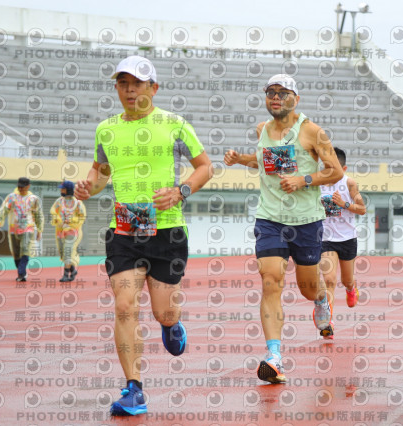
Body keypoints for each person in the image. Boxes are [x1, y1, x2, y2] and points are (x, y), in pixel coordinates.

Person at [74, 55, 213, 416]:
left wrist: (180, 191)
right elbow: (100, 171)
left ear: (154, 87)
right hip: (123, 231)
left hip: (167, 232)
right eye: (123, 83)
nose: (130, 90)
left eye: (137, 83)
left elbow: (205, 167)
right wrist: (89, 186)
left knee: (163, 311)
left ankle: (171, 324)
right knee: (124, 307)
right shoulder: (106, 129)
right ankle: (133, 389)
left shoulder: (175, 125)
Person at [224, 74, 344, 384]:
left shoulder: (312, 132)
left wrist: (304, 180)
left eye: (283, 92)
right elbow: (266, 163)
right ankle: (274, 356)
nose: (276, 97)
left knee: (307, 288)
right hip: (270, 218)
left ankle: (321, 300)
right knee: (270, 281)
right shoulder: (262, 130)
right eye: (271, 92)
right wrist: (240, 159)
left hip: (306, 221)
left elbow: (335, 171)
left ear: (296, 99)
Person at [319, 147, 367, 339]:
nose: (329, 172)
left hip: (347, 238)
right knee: (329, 280)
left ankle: (350, 288)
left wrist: (344, 204)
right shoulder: (317, 183)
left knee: (346, 279)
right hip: (326, 238)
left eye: (334, 169)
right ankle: (327, 323)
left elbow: (362, 209)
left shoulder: (349, 183)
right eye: (326, 168)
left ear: (344, 169)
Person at [0, 177, 44, 282]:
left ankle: (21, 273)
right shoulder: (11, 197)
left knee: (25, 249)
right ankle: (22, 272)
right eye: (19, 186)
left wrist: (39, 230)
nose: (20, 188)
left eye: (22, 187)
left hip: (28, 229)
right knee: (16, 254)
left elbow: (38, 215)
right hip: (14, 229)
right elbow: (3, 211)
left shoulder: (33, 199)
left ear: (28, 186)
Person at [50, 181, 87, 282]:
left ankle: (66, 274)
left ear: (69, 190)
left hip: (72, 231)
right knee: (62, 253)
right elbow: (53, 211)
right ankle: (73, 270)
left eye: (63, 189)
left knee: (67, 251)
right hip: (60, 231)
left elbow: (82, 216)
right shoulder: (59, 202)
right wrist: (57, 219)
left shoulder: (77, 203)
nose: (61, 190)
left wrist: (73, 221)